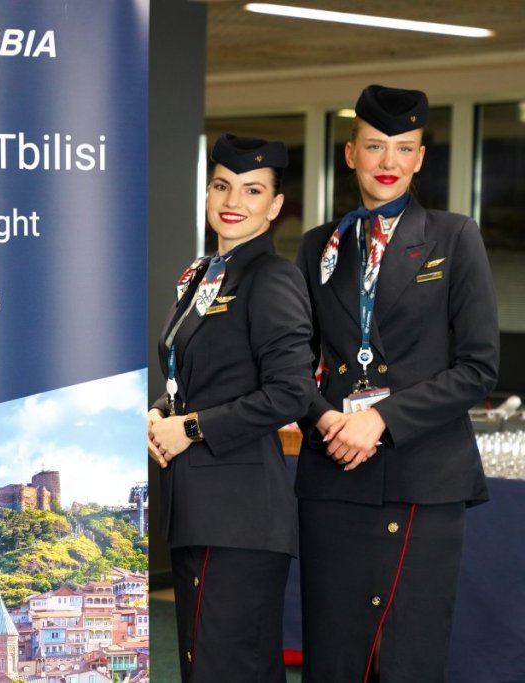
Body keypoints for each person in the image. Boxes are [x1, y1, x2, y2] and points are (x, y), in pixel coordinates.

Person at [294, 84, 499, 682]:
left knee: (407, 652)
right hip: (336, 471)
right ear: (350, 153)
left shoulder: (455, 237)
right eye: (375, 146)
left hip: (421, 475)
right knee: (334, 653)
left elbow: (479, 367)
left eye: (403, 148)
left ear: (420, 158)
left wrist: (381, 418)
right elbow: (292, 364)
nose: (389, 161)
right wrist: (327, 420)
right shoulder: (319, 247)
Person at [149, 134, 315, 682]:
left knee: (226, 667)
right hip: (198, 506)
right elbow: (195, 376)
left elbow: (290, 391)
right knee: (206, 665)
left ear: (275, 205)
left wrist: (192, 428)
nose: (233, 201)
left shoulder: (271, 277)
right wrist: (160, 412)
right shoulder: (204, 274)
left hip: (240, 515)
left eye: (252, 190)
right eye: (222, 186)